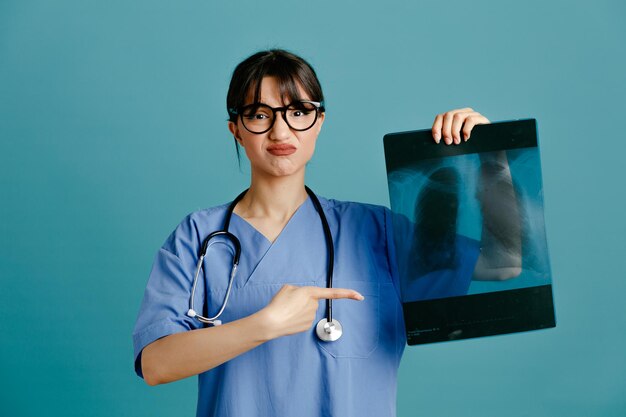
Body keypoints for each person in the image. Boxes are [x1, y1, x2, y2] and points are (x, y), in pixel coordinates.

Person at [132, 49, 493, 417]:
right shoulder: (198, 236)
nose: (281, 130)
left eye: (298, 112)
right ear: (236, 129)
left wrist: (494, 156)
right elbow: (156, 365)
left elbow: (503, 267)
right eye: (259, 115)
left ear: (319, 121)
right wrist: (263, 324)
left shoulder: (376, 231)